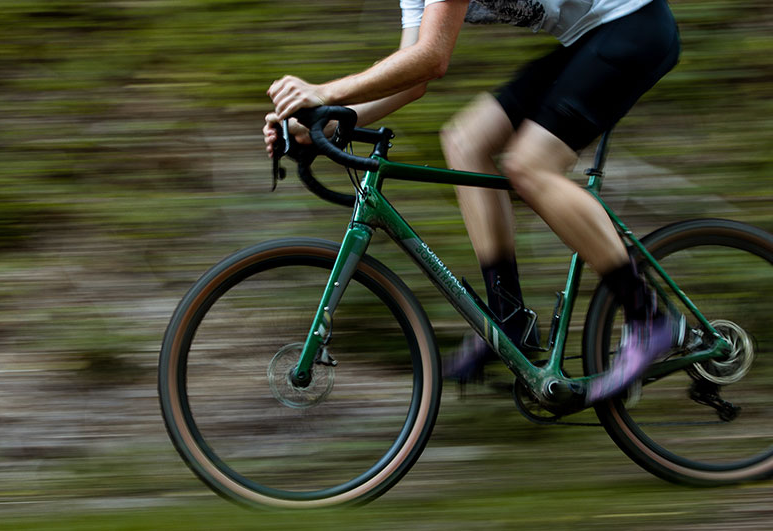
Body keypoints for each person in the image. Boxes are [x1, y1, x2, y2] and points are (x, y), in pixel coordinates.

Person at [263, 0, 683, 405]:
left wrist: (322, 92)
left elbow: (432, 58)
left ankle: (648, 319)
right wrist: (318, 123)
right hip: (589, 38)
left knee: (529, 166)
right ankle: (510, 317)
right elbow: (411, 76)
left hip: (633, 25)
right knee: (465, 140)